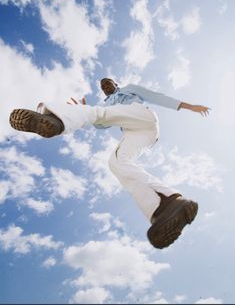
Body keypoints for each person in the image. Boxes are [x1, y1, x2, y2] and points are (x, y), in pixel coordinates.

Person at [9, 78, 211, 249]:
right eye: (103, 86)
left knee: (93, 112)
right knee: (116, 163)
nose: (106, 86)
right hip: (137, 133)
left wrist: (190, 107)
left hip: (143, 117)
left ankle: (55, 119)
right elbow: (99, 123)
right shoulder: (105, 106)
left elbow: (156, 96)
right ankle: (166, 205)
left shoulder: (129, 90)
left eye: (108, 83)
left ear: (116, 84)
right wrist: (81, 109)